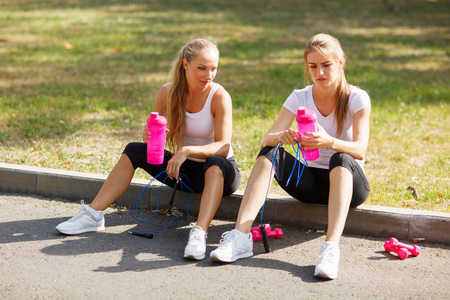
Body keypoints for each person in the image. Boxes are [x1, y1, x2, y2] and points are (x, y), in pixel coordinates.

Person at [56, 38, 241, 261]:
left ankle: (199, 232)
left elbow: (223, 146)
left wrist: (187, 151)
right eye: (201, 68)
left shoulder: (219, 96)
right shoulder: (167, 92)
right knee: (134, 149)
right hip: (184, 171)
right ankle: (94, 215)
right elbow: (158, 134)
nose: (208, 75)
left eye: (213, 68)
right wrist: (153, 136)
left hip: (220, 173)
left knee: (215, 162)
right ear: (185, 65)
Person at [209, 33, 371, 280]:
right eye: (313, 66)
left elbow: (360, 149)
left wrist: (328, 142)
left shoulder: (357, 98)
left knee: (341, 157)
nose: (320, 73)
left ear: (339, 63)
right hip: (308, 183)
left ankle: (330, 250)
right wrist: (283, 135)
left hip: (348, 184)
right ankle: (240, 237)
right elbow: (266, 138)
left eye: (326, 65)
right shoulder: (300, 97)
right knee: (269, 152)